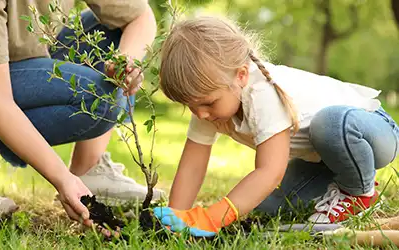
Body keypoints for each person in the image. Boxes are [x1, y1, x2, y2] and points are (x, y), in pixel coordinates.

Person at [0, 0, 165, 226]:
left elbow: (139, 16)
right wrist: (62, 179)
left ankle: (90, 168)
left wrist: (126, 63)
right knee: (101, 100)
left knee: (112, 34)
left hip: (20, 61)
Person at [152, 15, 399, 237]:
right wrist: (177, 217)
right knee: (268, 206)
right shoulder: (209, 105)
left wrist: (213, 218)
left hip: (371, 132)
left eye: (207, 104)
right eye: (190, 106)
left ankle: (358, 193)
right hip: (324, 160)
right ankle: (341, 187)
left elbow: (270, 171)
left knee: (331, 123)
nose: (200, 114)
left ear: (240, 75)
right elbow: (193, 165)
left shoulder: (263, 93)